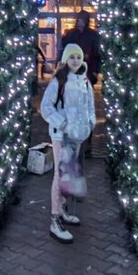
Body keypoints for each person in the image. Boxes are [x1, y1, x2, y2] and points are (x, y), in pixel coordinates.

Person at [40, 43, 96, 244]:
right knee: (60, 174)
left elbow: (90, 105)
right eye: (71, 57)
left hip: (77, 135)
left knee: (69, 174)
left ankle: (62, 210)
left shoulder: (85, 81)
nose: (75, 60)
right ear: (65, 59)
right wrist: (62, 123)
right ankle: (54, 220)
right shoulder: (59, 80)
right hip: (61, 135)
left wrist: (89, 124)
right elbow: (46, 107)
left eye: (78, 57)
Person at [60, 10, 100, 156]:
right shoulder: (71, 35)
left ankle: (86, 144)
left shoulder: (93, 36)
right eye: (78, 20)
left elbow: (97, 56)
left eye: (82, 20)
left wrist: (95, 73)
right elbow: (63, 53)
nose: (79, 23)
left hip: (86, 77)